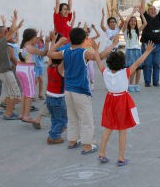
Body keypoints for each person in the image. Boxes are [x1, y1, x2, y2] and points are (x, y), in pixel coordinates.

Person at [48, 27, 118, 155]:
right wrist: (113, 44)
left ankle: (72, 141)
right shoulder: (84, 53)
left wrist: (55, 42)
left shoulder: (65, 52)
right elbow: (100, 57)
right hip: (81, 90)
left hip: (68, 90)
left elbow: (50, 54)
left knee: (72, 117)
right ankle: (87, 145)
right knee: (86, 119)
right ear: (83, 40)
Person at [94, 41, 154, 166]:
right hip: (121, 101)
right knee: (122, 130)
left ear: (109, 63)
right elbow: (138, 63)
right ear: (123, 62)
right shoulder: (125, 72)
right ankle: (121, 157)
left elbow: (99, 61)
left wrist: (95, 50)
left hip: (110, 100)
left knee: (108, 129)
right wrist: (147, 51)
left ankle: (102, 153)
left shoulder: (105, 72)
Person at [0, 9, 24, 120]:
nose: (9, 33)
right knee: (14, 94)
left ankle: (9, 112)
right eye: (5, 32)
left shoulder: (0, 42)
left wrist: (16, 25)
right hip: (5, 72)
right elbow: (11, 31)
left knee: (12, 93)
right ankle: (8, 114)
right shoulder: (2, 42)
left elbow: (12, 32)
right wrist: (15, 20)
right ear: (1, 34)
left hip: (5, 70)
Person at [16, 29, 49, 123]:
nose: (37, 39)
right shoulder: (30, 48)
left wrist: (40, 38)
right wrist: (47, 43)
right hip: (27, 70)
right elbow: (43, 54)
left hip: (20, 69)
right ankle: (26, 115)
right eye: (36, 37)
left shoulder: (23, 46)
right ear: (32, 37)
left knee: (25, 92)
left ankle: (22, 114)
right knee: (30, 93)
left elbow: (33, 45)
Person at [139, 0, 160, 87]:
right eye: (151, 9)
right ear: (148, 11)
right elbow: (141, 8)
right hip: (147, 44)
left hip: (158, 45)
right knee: (147, 64)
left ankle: (156, 82)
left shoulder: (159, 17)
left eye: (154, 9)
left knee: (156, 64)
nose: (153, 10)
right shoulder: (145, 17)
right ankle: (147, 82)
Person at [46, 32, 67, 144]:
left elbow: (50, 54)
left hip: (49, 97)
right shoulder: (60, 69)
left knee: (54, 118)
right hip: (58, 99)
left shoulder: (49, 66)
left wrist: (54, 42)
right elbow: (65, 56)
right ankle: (53, 137)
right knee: (63, 121)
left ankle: (53, 134)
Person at [121, 6, 148, 92]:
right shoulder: (125, 31)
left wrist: (141, 13)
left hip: (137, 51)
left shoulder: (137, 31)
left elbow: (145, 23)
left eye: (135, 21)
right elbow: (125, 21)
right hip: (130, 51)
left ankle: (136, 85)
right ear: (129, 22)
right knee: (132, 69)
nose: (133, 22)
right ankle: (130, 84)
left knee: (139, 69)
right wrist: (133, 12)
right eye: (131, 21)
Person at [83, 22, 101, 90]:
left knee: (90, 69)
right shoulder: (81, 40)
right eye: (85, 32)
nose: (87, 34)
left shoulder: (91, 39)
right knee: (84, 70)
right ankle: (85, 83)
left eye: (88, 32)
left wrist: (94, 28)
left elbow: (98, 35)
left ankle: (92, 82)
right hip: (83, 56)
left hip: (90, 56)